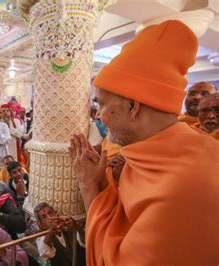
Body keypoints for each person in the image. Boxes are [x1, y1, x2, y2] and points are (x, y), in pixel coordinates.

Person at [70, 20, 219, 264]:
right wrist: (105, 185)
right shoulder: (157, 153)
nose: (98, 115)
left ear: (133, 106)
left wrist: (89, 188)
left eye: (102, 104)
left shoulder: (184, 184)